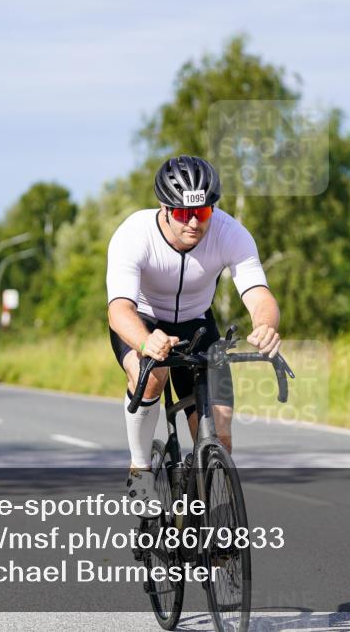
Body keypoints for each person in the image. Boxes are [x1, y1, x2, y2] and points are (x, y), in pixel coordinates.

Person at [106, 156, 282, 513]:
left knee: (221, 433)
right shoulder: (134, 234)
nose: (193, 223)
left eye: (202, 213)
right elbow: (118, 310)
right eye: (184, 214)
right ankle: (140, 470)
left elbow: (259, 294)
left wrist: (265, 326)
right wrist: (144, 340)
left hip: (196, 324)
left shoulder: (230, 232)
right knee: (151, 375)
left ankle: (206, 518)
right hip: (143, 319)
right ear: (165, 208)